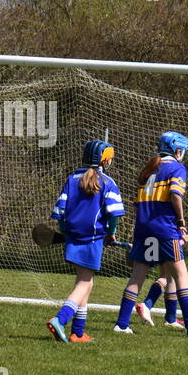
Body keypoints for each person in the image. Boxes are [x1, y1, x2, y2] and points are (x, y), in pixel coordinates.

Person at [113, 131, 188, 337]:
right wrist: (181, 221)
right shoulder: (177, 168)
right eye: (183, 151)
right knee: (181, 275)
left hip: (143, 228)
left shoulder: (149, 170)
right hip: (165, 229)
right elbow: (176, 195)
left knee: (137, 277)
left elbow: (137, 203)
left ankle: (122, 324)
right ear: (177, 150)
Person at [45, 141, 126, 344]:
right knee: (84, 283)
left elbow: (60, 211)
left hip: (73, 238)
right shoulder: (108, 182)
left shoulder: (72, 179)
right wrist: (111, 232)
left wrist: (65, 230)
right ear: (105, 160)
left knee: (85, 282)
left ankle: (78, 333)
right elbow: (114, 213)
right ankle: (60, 319)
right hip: (93, 240)